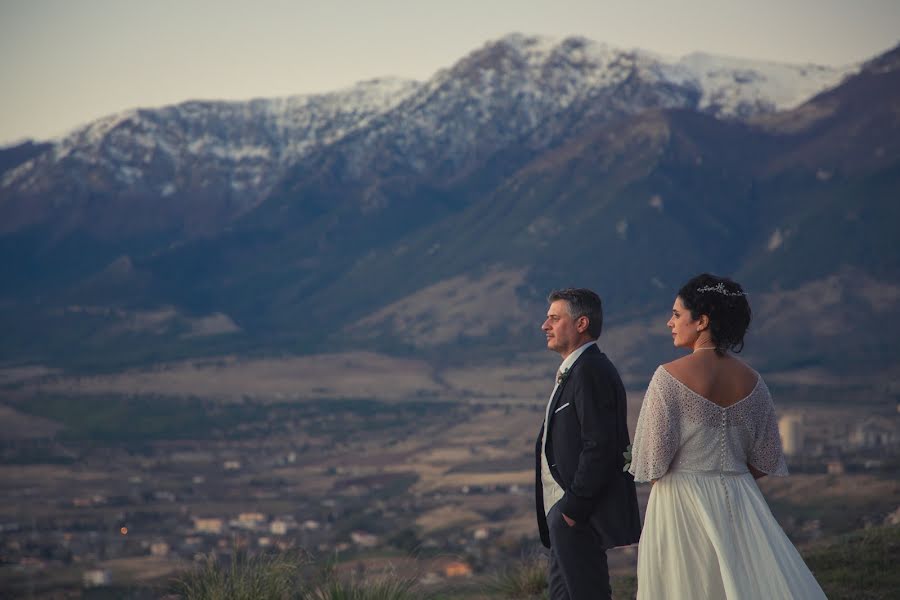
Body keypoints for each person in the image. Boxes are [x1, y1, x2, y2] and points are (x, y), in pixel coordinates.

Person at [628, 273, 827, 599]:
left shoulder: (668, 378)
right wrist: (730, 478)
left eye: (677, 315)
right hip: (741, 498)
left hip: (680, 500)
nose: (669, 323)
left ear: (702, 321)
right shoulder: (754, 381)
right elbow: (766, 459)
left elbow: (652, 463)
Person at [535, 288, 641, 600]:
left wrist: (573, 508)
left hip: (578, 513)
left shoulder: (590, 370)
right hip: (565, 514)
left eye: (554, 318)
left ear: (581, 324)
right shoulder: (576, 370)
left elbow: (600, 444)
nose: (545, 325)